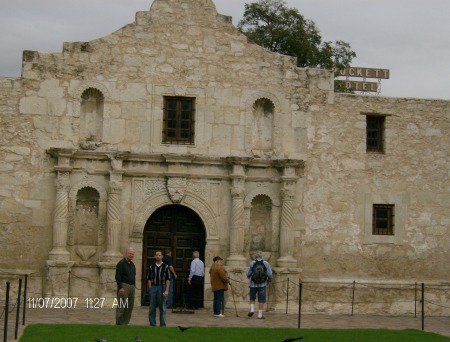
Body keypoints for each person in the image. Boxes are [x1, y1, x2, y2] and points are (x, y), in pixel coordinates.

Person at [147, 249, 171, 326]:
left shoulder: (166, 267)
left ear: (162, 256)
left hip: (162, 287)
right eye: (156, 255)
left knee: (162, 308)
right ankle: (152, 324)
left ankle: (163, 324)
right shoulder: (151, 267)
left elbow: (168, 279)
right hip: (154, 287)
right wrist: (150, 289)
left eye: (159, 255)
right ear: (154, 256)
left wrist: (167, 290)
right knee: (152, 307)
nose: (158, 256)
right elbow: (149, 279)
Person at [246, 251, 273, 319]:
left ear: (256, 257)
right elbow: (270, 274)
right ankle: (260, 315)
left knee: (252, 298)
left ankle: (252, 310)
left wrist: (250, 277)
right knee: (261, 300)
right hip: (262, 284)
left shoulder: (252, 263)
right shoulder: (266, 263)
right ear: (261, 257)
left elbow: (248, 273)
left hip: (253, 284)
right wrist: (269, 280)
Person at [115, 247, 136, 325]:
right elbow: (118, 276)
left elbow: (134, 275)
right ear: (126, 254)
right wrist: (120, 287)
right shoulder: (121, 263)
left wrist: (134, 285)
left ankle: (125, 323)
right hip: (124, 286)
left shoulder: (132, 265)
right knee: (122, 305)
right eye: (130, 254)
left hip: (131, 286)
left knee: (129, 306)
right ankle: (119, 323)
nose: (131, 255)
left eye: (133, 254)